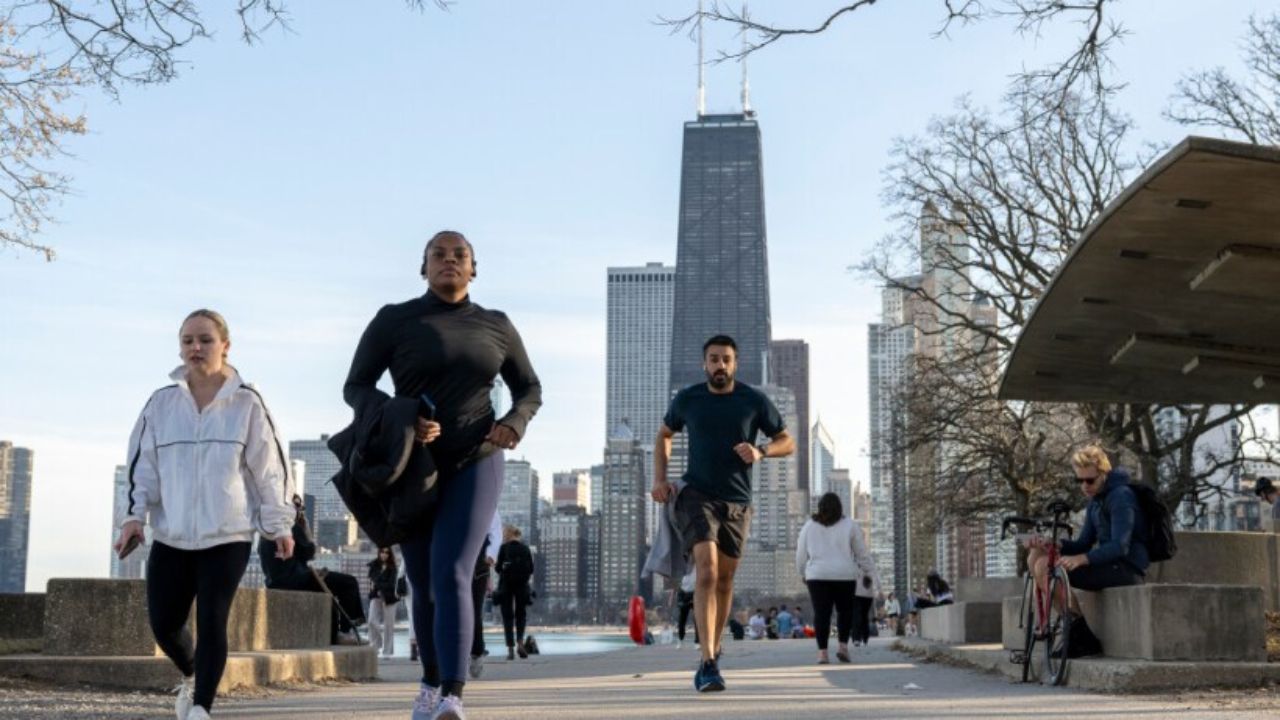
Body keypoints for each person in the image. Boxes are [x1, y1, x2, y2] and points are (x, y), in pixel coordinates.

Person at [345, 229, 542, 720]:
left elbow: (530, 388)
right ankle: (429, 683)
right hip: (412, 466)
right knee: (422, 578)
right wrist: (404, 415)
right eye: (439, 254)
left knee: (454, 568)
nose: (449, 261)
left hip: (476, 460)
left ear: (473, 269)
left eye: (460, 256)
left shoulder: (496, 325)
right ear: (423, 266)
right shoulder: (394, 320)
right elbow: (356, 387)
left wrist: (513, 423)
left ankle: (453, 694)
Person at [114, 309, 295, 720]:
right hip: (172, 534)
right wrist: (133, 518)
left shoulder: (247, 403)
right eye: (188, 340)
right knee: (164, 623)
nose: (196, 348)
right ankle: (194, 673)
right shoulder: (160, 404)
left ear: (225, 346)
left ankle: (201, 708)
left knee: (213, 617)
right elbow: (142, 467)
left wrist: (279, 526)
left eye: (205, 340)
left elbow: (270, 469)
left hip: (227, 533)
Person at [652, 334, 794, 692]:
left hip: (738, 502)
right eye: (713, 359)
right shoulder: (688, 399)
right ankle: (707, 661)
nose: (720, 365)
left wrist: (762, 451)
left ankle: (714, 649)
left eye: (726, 359)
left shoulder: (752, 400)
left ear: (735, 363)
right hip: (696, 495)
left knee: (726, 581)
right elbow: (664, 435)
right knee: (707, 571)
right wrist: (660, 479)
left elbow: (787, 441)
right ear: (705, 364)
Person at [1027, 445, 1149, 657]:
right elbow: (1084, 542)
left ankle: (1080, 633)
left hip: (1126, 568)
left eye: (1090, 480)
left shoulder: (1121, 497)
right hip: (1107, 564)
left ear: (1104, 473)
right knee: (1036, 556)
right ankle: (1074, 628)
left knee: (1045, 568)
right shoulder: (1095, 502)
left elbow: (1120, 546)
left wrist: (1084, 559)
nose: (1084, 486)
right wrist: (1054, 544)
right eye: (1079, 480)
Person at [258, 494, 365, 645]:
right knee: (348, 582)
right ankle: (346, 629)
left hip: (276, 582)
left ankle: (338, 633)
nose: (299, 511)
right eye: (297, 507)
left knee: (328, 592)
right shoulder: (290, 526)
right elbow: (309, 552)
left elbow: (294, 559)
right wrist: (306, 530)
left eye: (300, 507)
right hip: (296, 580)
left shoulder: (266, 528)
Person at [795, 492, 878, 664]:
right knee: (844, 612)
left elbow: (800, 554)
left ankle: (822, 653)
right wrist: (870, 573)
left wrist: (802, 572)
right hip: (844, 575)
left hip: (817, 575)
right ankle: (843, 648)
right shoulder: (850, 525)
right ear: (840, 507)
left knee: (821, 614)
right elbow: (862, 554)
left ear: (820, 507)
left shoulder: (809, 526)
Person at [468, 512, 503, 679]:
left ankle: (476, 652)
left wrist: (490, 555)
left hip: (478, 568)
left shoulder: (486, 500)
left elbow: (496, 531)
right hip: (452, 560)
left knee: (474, 612)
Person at [494, 525, 536, 660]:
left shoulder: (504, 548)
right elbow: (531, 569)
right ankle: (520, 642)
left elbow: (497, 568)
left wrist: (505, 569)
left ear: (508, 534)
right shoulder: (525, 549)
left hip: (506, 585)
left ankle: (510, 649)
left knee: (507, 617)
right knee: (521, 615)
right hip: (522, 586)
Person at [367, 547, 401, 658]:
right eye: (382, 552)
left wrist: (377, 585)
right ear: (379, 552)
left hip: (390, 598)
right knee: (372, 621)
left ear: (390, 554)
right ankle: (376, 646)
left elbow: (391, 585)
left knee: (389, 626)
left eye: (387, 553)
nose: (384, 554)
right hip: (376, 596)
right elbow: (372, 579)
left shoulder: (393, 568)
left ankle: (387, 652)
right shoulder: (373, 565)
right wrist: (379, 585)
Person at [675, 567, 699, 649]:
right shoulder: (682, 566)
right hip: (684, 593)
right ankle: (680, 639)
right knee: (682, 619)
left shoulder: (697, 566)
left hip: (695, 593)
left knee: (697, 619)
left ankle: (697, 642)